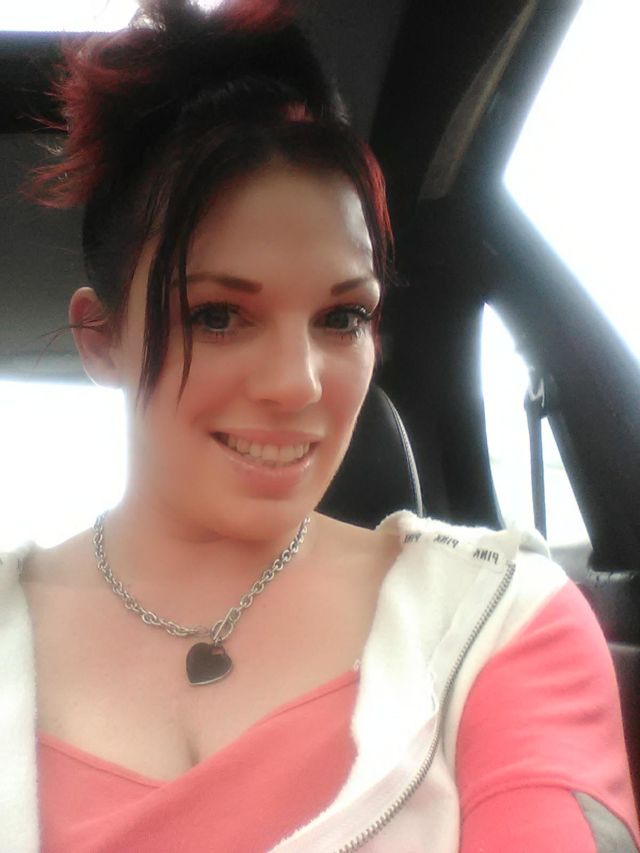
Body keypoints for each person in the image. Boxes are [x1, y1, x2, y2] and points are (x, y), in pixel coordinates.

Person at [1, 1, 638, 851]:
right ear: (100, 339)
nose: (297, 383)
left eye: (342, 317)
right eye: (218, 315)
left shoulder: (494, 621)